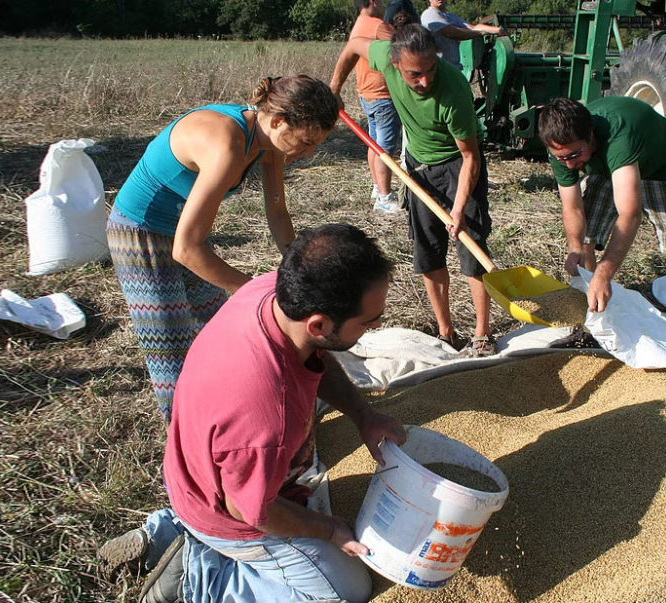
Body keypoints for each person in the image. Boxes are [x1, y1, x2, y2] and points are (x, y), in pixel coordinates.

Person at [98, 224, 407, 603]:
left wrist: (363, 415)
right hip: (228, 514)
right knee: (346, 589)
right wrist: (328, 530)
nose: (378, 326)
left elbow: (317, 356)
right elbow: (252, 512)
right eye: (369, 321)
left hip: (199, 472)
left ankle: (169, 530)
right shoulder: (268, 413)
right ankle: (199, 578)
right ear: (319, 324)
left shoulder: (268, 292)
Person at [106, 75, 339, 422]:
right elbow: (187, 250)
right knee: (170, 347)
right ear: (277, 121)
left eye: (314, 146)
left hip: (184, 226)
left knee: (217, 327)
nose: (306, 154)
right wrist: (259, 291)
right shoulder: (227, 144)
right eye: (305, 142)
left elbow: (276, 209)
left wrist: (296, 268)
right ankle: (186, 437)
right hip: (141, 232)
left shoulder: (269, 143)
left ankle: (229, 412)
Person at [330, 24, 496, 357]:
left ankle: (481, 334)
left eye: (430, 70)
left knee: (472, 251)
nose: (425, 81)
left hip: (457, 166)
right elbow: (352, 46)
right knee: (429, 252)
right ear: (394, 63)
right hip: (418, 167)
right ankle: (446, 332)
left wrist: (459, 209)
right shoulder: (383, 56)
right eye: (414, 74)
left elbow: (470, 157)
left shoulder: (453, 90)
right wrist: (334, 88)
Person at [538, 96, 666, 355]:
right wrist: (575, 246)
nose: (568, 164)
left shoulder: (619, 137)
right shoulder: (562, 148)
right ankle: (589, 329)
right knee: (586, 238)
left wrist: (604, 274)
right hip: (607, 167)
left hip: (659, 168)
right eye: (561, 157)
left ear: (590, 135)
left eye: (574, 155)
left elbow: (629, 214)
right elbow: (572, 206)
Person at [348, 0, 404, 214]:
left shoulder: (360, 22)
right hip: (382, 94)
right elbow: (405, 45)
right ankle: (384, 197)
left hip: (368, 93)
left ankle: (376, 187)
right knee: (385, 149)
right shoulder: (377, 25)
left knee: (374, 143)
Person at [420, 0, 507, 71]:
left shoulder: (450, 16)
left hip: (453, 69)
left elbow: (473, 28)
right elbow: (452, 33)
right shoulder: (429, 15)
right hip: (438, 71)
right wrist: (481, 33)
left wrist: (497, 30)